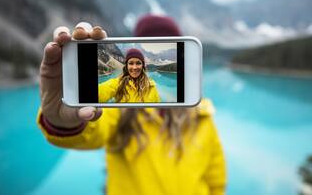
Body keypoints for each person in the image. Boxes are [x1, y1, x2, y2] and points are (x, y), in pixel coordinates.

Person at [37, 15, 226, 195]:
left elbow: (216, 182)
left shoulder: (203, 117)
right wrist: (65, 122)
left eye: (138, 63)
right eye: (131, 63)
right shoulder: (119, 103)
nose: (135, 67)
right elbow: (94, 130)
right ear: (127, 65)